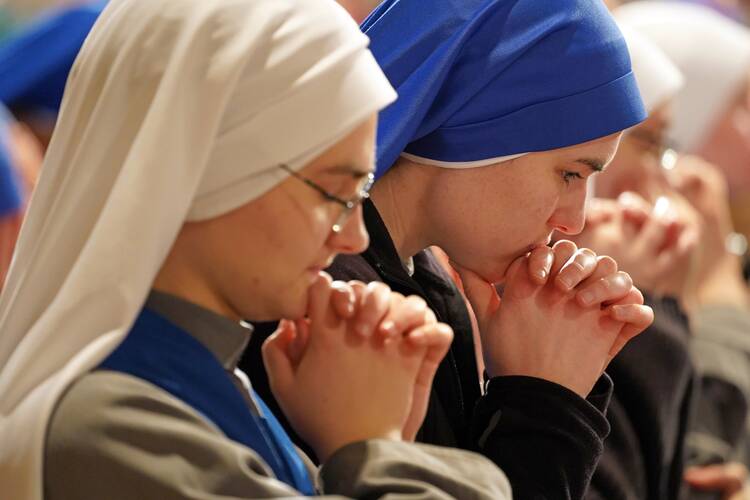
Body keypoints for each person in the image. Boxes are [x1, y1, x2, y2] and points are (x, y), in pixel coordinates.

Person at [0, 0, 515, 498]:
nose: (354, 236)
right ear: (207, 168)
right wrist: (372, 446)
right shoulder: (110, 425)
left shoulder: (204, 374)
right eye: (336, 192)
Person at [241, 1, 654, 498]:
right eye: (570, 173)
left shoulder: (426, 282)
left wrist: (538, 382)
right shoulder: (327, 298)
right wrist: (544, 400)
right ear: (478, 129)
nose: (574, 221)